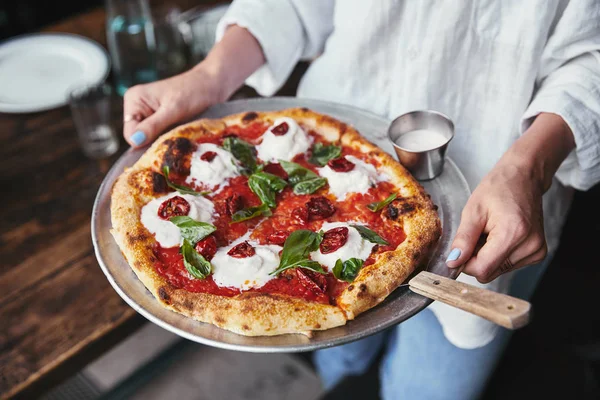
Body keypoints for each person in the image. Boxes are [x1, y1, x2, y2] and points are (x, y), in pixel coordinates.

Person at [122, 1, 600, 398]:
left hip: (499, 203)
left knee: (432, 387)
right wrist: (211, 75)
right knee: (341, 362)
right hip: (325, 127)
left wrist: (529, 167)